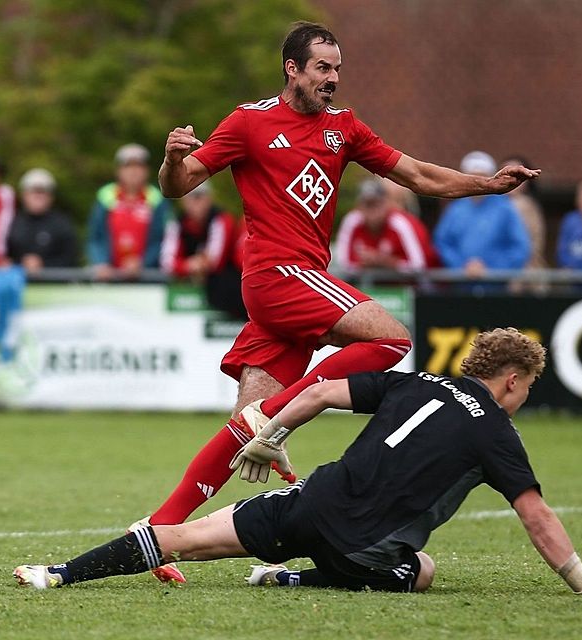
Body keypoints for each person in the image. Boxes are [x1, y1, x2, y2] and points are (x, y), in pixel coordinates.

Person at [145, 21, 539, 583]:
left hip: (297, 286)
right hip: (279, 275)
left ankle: (158, 534)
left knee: (244, 429)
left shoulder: (344, 128)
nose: (332, 78)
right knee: (393, 338)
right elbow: (178, 184)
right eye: (322, 68)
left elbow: (417, 175)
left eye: (337, 69)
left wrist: (487, 185)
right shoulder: (249, 122)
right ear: (292, 69)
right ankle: (283, 415)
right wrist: (171, 159)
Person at [14, 328, 582, 597]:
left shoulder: (414, 381)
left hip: (310, 507)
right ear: (513, 380)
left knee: (182, 539)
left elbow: (321, 391)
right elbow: (536, 515)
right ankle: (291, 580)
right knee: (422, 571)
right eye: (527, 388)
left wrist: (271, 434)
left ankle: (58, 573)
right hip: (366, 554)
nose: (523, 399)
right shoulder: (497, 431)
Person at [433, 151, 531, 280]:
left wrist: (493, 270)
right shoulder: (455, 209)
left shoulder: (505, 209)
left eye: (483, 177)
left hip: (496, 285)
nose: (477, 182)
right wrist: (460, 266)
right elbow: (442, 243)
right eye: (472, 177)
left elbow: (520, 247)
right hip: (461, 284)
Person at [87, 143, 172, 281]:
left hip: (147, 278)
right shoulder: (105, 196)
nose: (133, 171)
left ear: (146, 170)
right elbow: (95, 237)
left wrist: (143, 263)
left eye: (138, 166)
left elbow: (164, 239)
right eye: (128, 166)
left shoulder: (156, 198)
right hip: (109, 277)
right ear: (118, 171)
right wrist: (101, 262)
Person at [162, 180, 246, 318]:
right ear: (183, 201)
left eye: (200, 197)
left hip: (227, 285)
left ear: (209, 198)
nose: (196, 202)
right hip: (195, 282)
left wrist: (191, 265)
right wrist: (188, 266)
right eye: (191, 197)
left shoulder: (222, 219)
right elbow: (167, 261)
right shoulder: (177, 222)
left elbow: (215, 261)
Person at [334, 178, 436, 272]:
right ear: (359, 206)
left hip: (413, 284)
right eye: (368, 205)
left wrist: (383, 261)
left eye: (377, 204)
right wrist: (364, 264)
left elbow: (418, 266)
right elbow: (342, 265)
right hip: (367, 283)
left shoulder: (400, 223)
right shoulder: (352, 221)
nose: (373, 211)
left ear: (386, 203)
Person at [6, 168, 79, 274]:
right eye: (34, 192)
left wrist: (43, 264)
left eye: (43, 192)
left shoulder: (62, 224)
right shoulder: (10, 221)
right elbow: (4, 256)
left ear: (51, 196)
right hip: (16, 281)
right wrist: (18, 263)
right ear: (24, 195)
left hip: (52, 282)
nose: (38, 197)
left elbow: (71, 259)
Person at [501, 155, 547, 269]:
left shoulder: (529, 207)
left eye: (517, 175)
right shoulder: (490, 206)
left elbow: (535, 244)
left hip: (523, 269)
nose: (511, 179)